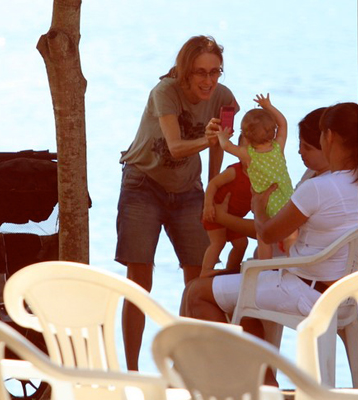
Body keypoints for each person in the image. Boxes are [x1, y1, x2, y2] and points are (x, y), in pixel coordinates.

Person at [183, 102, 358, 340]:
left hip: (305, 290)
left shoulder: (316, 188)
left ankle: (258, 376)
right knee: (245, 303)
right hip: (347, 294)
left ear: (330, 136)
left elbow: (269, 233)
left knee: (197, 293)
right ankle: (261, 373)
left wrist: (258, 208)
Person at [115, 35, 238, 371]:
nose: (208, 80)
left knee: (200, 278)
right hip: (143, 183)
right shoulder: (164, 92)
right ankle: (132, 371)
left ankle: (198, 368)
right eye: (200, 73)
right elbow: (174, 146)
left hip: (187, 189)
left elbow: (220, 142)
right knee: (139, 277)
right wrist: (209, 138)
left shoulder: (225, 99)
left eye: (215, 72)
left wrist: (211, 187)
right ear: (185, 72)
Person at [211, 106, 330, 241]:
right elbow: (282, 125)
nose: (300, 152)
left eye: (307, 147)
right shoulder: (313, 173)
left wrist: (223, 218)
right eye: (299, 145)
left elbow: (270, 232)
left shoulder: (317, 188)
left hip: (284, 253)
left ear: (328, 144)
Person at [216, 93, 293, 259]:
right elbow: (283, 124)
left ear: (246, 136)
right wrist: (268, 106)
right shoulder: (278, 148)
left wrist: (222, 136)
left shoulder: (248, 155)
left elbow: (226, 146)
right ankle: (291, 262)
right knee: (290, 237)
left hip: (266, 206)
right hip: (287, 202)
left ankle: (264, 265)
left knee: (262, 235)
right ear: (272, 131)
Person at [200, 133, 252, 278]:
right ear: (237, 152)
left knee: (242, 243)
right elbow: (213, 184)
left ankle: (231, 270)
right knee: (218, 242)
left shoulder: (261, 178)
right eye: (245, 149)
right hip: (215, 213)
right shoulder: (234, 171)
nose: (250, 155)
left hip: (233, 218)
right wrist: (208, 205)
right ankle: (206, 270)